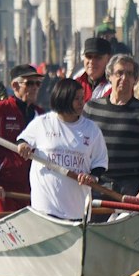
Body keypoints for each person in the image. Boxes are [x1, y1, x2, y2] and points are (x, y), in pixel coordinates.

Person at [14, 76, 110, 220]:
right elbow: (23, 140)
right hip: (45, 208)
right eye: (77, 99)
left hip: (76, 209)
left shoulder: (91, 129)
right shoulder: (43, 123)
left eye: (82, 98)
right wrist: (23, 146)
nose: (81, 102)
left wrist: (92, 177)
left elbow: (100, 162)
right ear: (64, 98)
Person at [83, 53, 139, 199]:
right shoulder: (91, 108)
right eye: (119, 73)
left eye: (129, 74)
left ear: (135, 80)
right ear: (110, 76)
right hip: (97, 186)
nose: (124, 78)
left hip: (130, 188)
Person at [0, 65, 41, 213]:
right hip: (3, 190)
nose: (35, 87)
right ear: (15, 85)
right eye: (30, 83)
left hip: (35, 190)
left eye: (37, 83)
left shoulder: (41, 115)